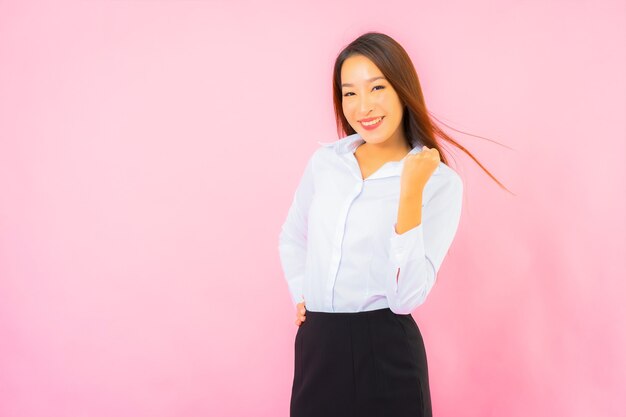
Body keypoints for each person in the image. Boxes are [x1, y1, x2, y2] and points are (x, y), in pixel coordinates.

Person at [278, 31, 505, 417]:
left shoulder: (439, 184)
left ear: (402, 89)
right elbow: (292, 236)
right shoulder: (326, 163)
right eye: (349, 93)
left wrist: (410, 192)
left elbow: (406, 298)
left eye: (377, 87)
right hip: (317, 345)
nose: (363, 106)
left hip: (386, 349)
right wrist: (302, 292)